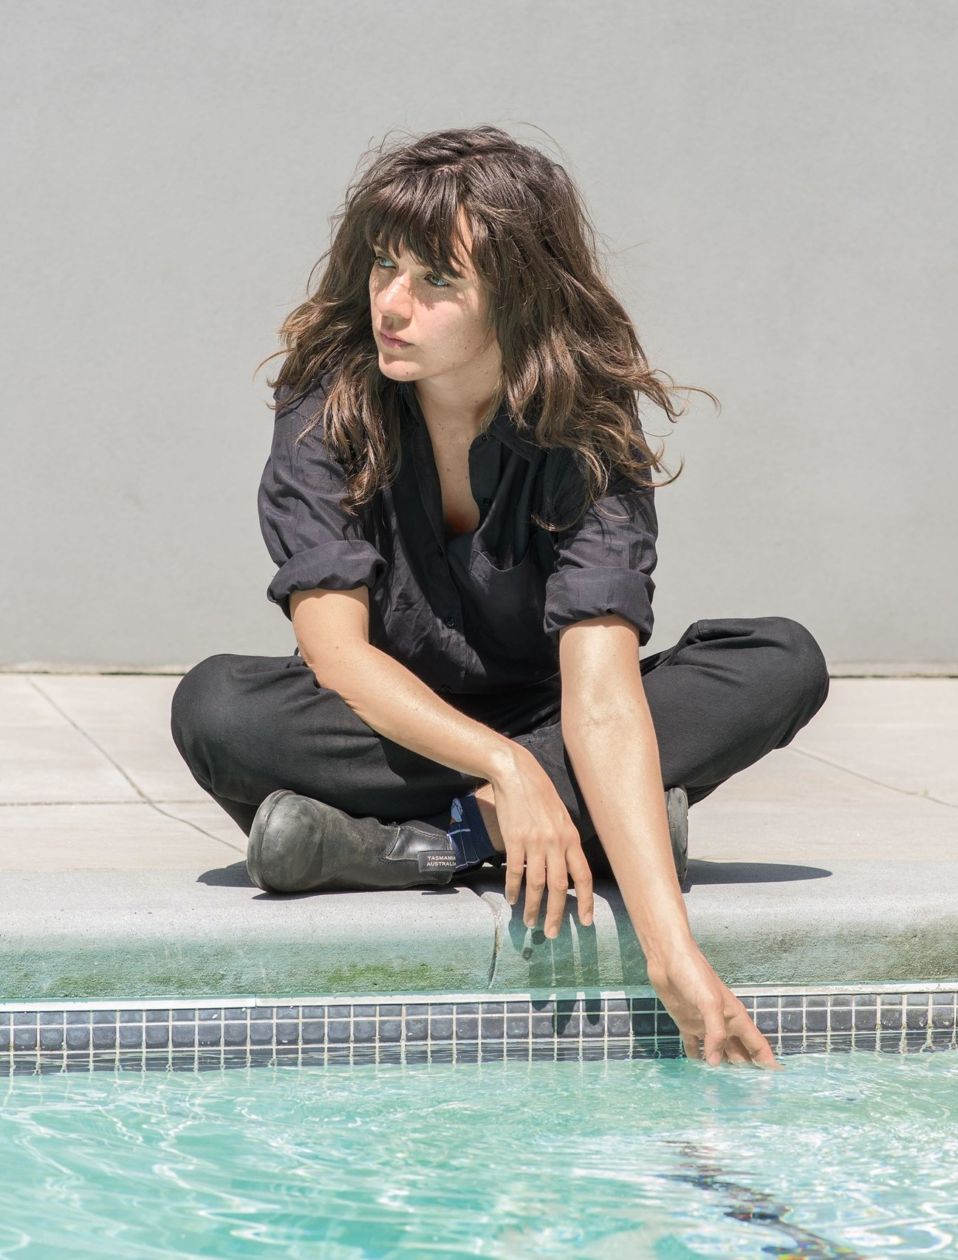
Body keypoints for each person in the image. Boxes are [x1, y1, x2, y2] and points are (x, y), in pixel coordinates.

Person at [170, 125, 830, 1072]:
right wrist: (508, 771)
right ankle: (571, 820)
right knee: (218, 707)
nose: (391, 303)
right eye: (385, 265)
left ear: (517, 295)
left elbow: (601, 693)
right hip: (390, 726)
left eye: (436, 281)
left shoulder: (584, 420)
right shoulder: (329, 398)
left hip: (553, 718)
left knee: (778, 662)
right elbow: (337, 655)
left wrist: (670, 951)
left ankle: (428, 844)